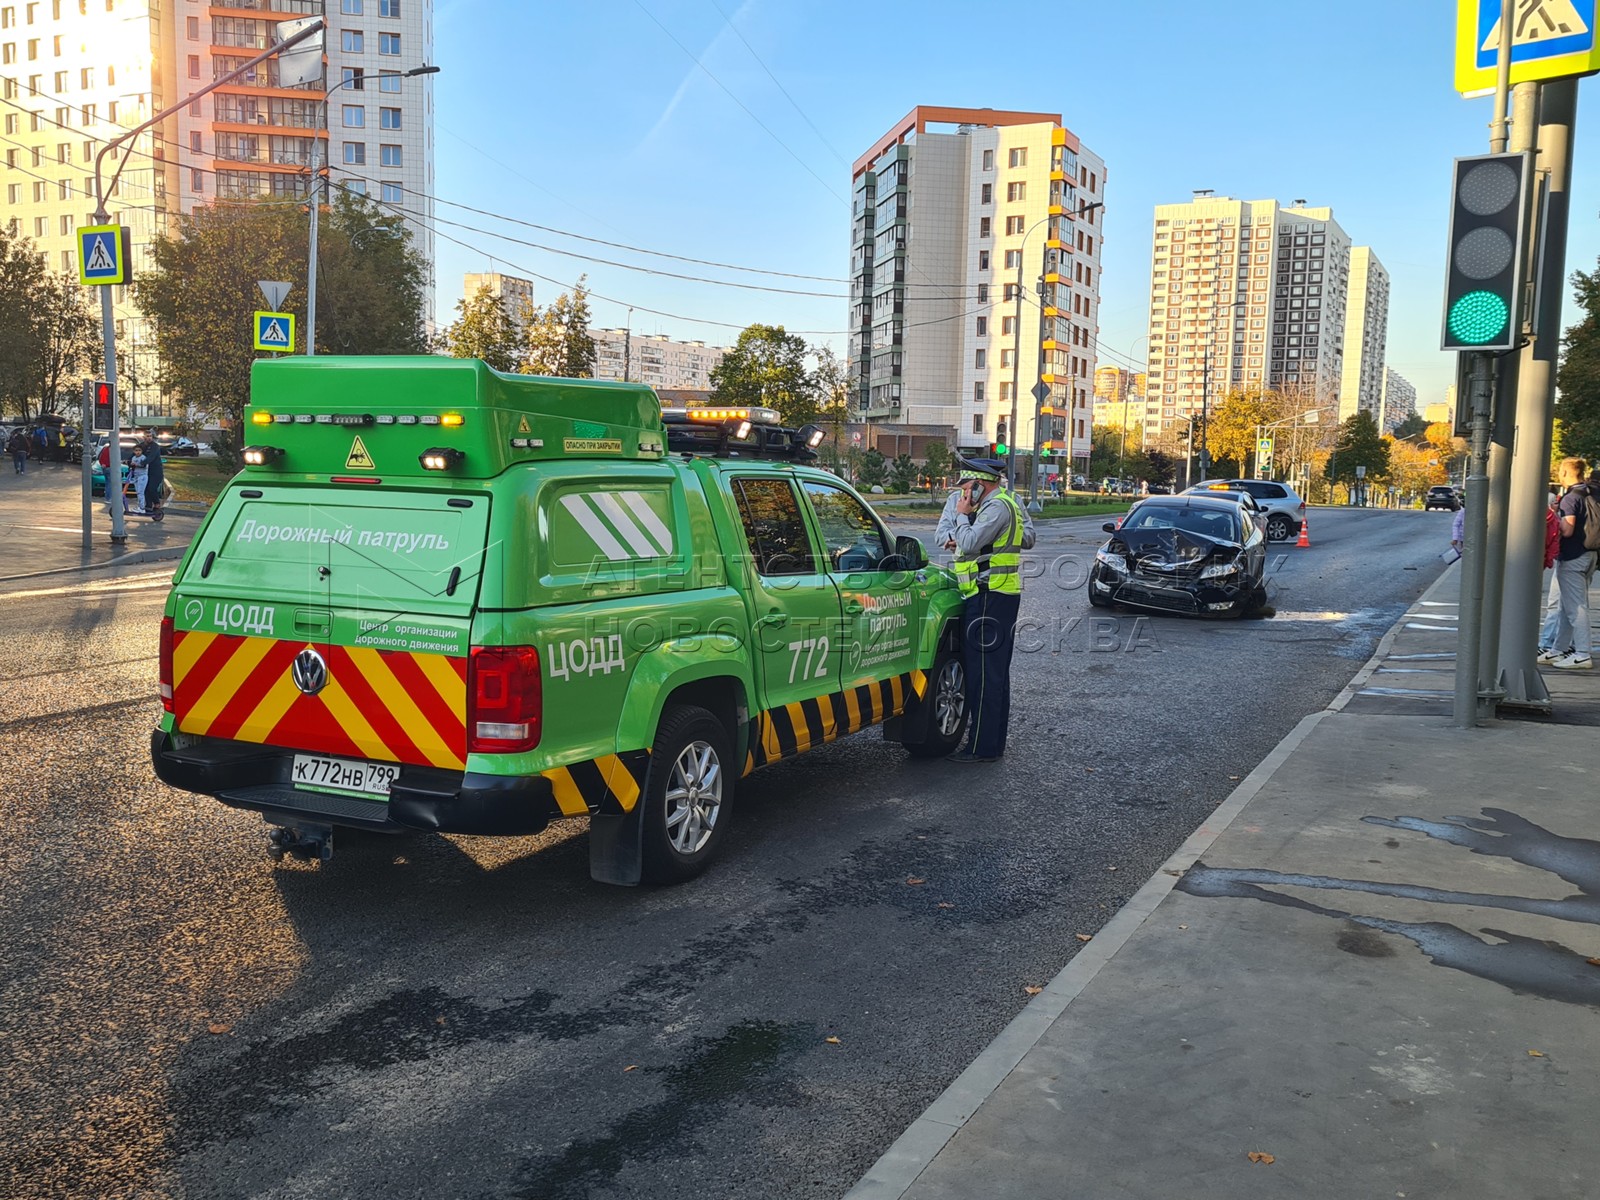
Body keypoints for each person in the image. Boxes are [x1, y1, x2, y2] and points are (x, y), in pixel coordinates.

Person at [948, 457, 1036, 763]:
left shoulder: (996, 506)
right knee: (995, 674)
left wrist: (961, 517)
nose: (963, 496)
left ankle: (980, 748)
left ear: (977, 485)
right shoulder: (1001, 504)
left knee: (984, 675)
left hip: (989, 597)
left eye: (965, 489)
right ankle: (991, 745)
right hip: (996, 596)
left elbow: (971, 542)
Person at [1541, 457, 1595, 670]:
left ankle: (1582, 653)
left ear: (1564, 472)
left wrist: (1555, 517)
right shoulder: (1590, 493)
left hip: (1573, 556)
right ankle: (1558, 649)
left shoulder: (1571, 498)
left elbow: (1567, 529)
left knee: (1576, 607)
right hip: (1590, 554)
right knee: (1566, 605)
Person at [1537, 488, 1563, 659]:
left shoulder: (1536, 517)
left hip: (1524, 563)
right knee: (1559, 605)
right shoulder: (1554, 519)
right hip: (1543, 562)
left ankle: (1546, 643)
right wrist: (1547, 561)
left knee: (1555, 604)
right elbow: (1554, 542)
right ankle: (1550, 643)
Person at [140, 432, 165, 518]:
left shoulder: (155, 447)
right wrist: (129, 461)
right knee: (146, 489)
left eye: (150, 436)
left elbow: (151, 457)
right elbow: (135, 453)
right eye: (147, 436)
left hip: (156, 472)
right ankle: (148, 506)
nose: (149, 438)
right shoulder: (141, 446)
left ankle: (157, 504)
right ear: (143, 437)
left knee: (152, 488)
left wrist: (142, 463)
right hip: (146, 472)